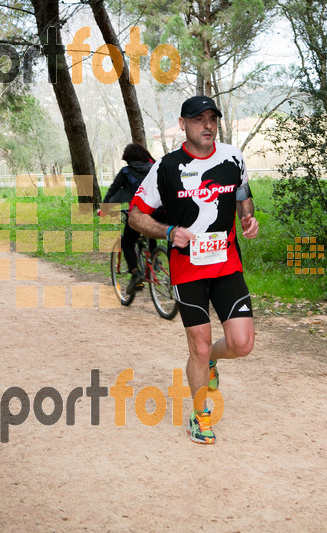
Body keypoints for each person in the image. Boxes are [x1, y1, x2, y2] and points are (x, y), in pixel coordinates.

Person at [129, 95, 259, 444]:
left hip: (227, 264)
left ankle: (211, 362)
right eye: (198, 119)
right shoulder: (167, 168)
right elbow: (136, 215)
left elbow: (242, 189)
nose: (207, 125)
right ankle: (200, 416)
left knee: (242, 344)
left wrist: (247, 215)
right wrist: (169, 231)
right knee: (198, 348)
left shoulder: (232, 156)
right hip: (187, 271)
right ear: (183, 124)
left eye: (212, 119)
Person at [103, 143, 156, 294]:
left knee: (127, 242)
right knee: (152, 228)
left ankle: (136, 273)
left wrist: (105, 207)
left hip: (139, 214)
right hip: (161, 213)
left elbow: (114, 189)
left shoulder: (126, 172)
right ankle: (156, 258)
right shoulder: (155, 167)